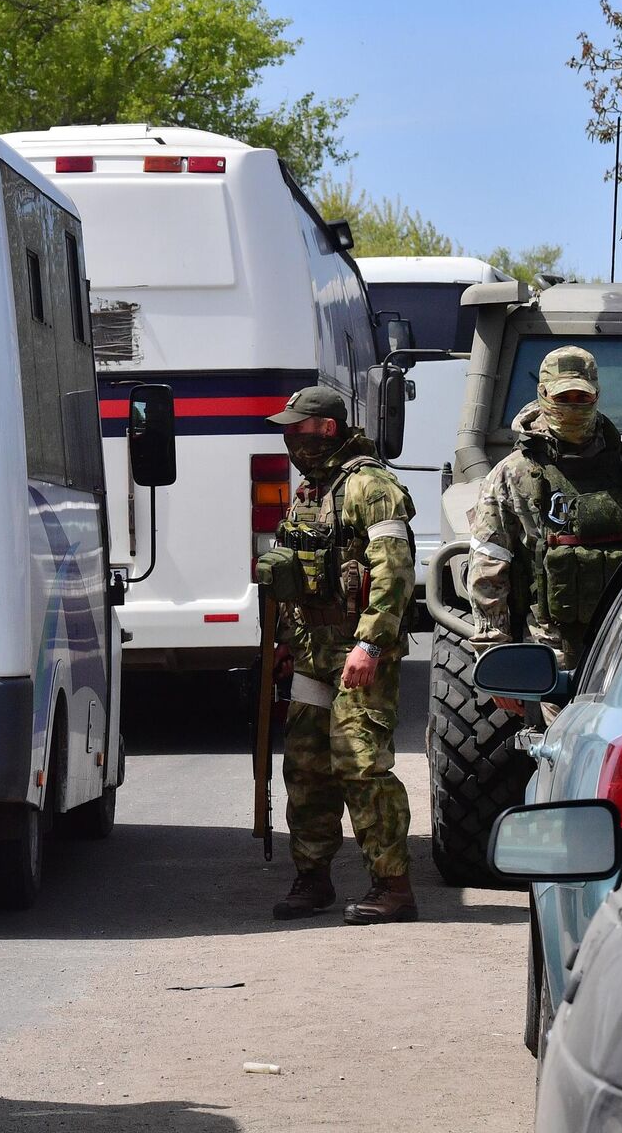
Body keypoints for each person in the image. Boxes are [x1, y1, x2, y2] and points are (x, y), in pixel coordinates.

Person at [256, 386, 419, 924]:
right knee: (305, 768)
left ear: (326, 428)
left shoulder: (371, 487)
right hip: (312, 652)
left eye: (297, 428)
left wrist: (370, 642)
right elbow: (298, 572)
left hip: (358, 652)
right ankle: (312, 879)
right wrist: (285, 638)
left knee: (361, 766)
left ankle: (392, 886)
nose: (289, 438)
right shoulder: (311, 490)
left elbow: (394, 571)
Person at [468, 346, 622, 720]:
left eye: (582, 397)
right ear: (543, 395)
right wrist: (494, 656)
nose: (573, 407)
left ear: (597, 396)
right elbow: (487, 567)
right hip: (551, 652)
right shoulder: (512, 474)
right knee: (560, 749)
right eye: (563, 398)